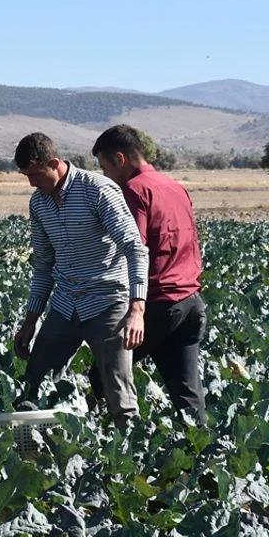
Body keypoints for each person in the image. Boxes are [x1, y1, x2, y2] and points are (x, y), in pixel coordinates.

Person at [12, 132, 149, 429]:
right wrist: (30, 320)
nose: (31, 183)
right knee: (36, 381)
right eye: (26, 176)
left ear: (55, 163)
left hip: (107, 300)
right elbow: (44, 265)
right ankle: (36, 454)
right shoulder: (39, 204)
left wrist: (136, 310)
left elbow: (134, 248)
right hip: (65, 302)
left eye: (35, 174)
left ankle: (133, 461)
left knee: (119, 392)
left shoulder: (97, 190)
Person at [92, 124, 208, 425]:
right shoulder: (175, 187)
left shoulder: (134, 191)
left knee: (103, 373)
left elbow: (134, 249)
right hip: (191, 302)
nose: (106, 177)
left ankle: (112, 447)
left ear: (120, 159)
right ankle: (203, 459)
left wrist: (134, 310)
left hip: (157, 303)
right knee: (187, 395)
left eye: (105, 168)